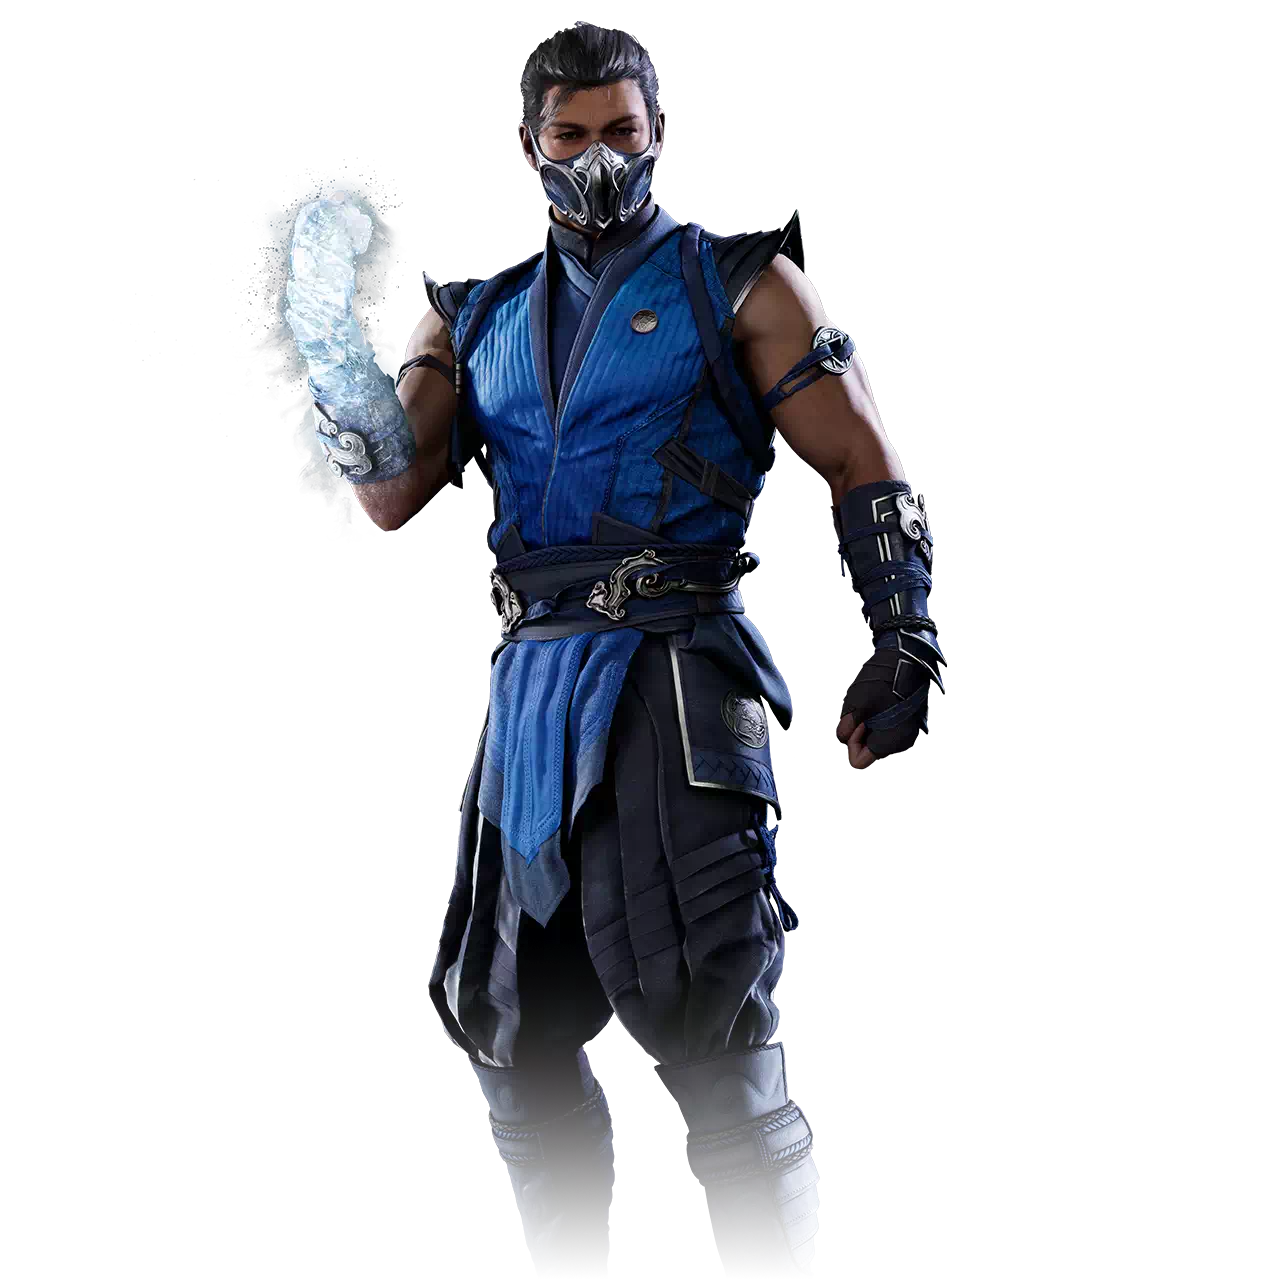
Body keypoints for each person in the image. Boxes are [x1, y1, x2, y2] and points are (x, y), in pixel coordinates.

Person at [330, 21, 943, 1278]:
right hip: (532, 692)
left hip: (674, 670)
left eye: (620, 129)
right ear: (528, 145)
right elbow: (387, 496)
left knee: (710, 1016)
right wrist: (341, 377)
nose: (597, 157)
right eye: (570, 135)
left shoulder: (742, 285)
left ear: (658, 130)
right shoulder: (475, 315)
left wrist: (903, 635)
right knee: (507, 1023)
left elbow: (862, 458)